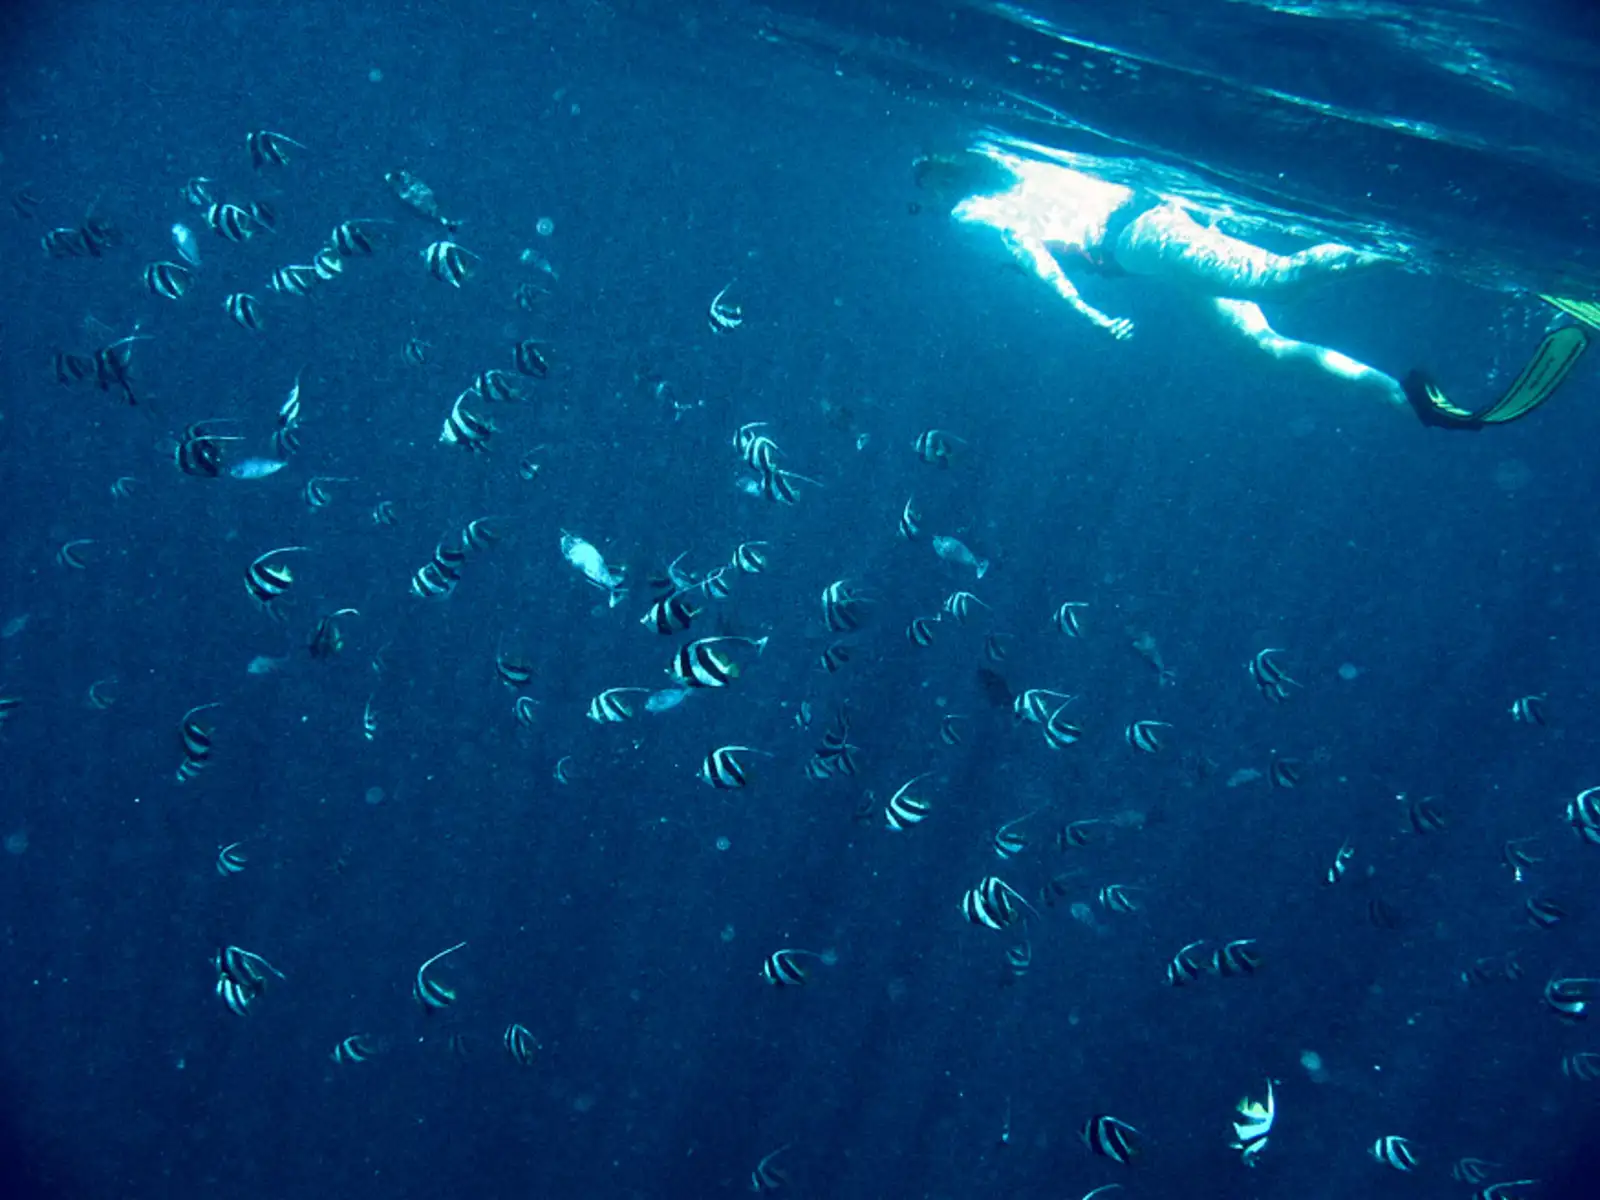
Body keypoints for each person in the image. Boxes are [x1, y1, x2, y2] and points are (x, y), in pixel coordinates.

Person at [916, 145, 1590, 426]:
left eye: (932, 187)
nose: (936, 201)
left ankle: (1419, 249)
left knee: (1281, 282)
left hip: (1142, 242)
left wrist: (1087, 317)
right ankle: (1406, 400)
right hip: (1150, 235)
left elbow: (1033, 258)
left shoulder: (980, 209)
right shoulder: (1020, 161)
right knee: (1258, 348)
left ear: (948, 179)